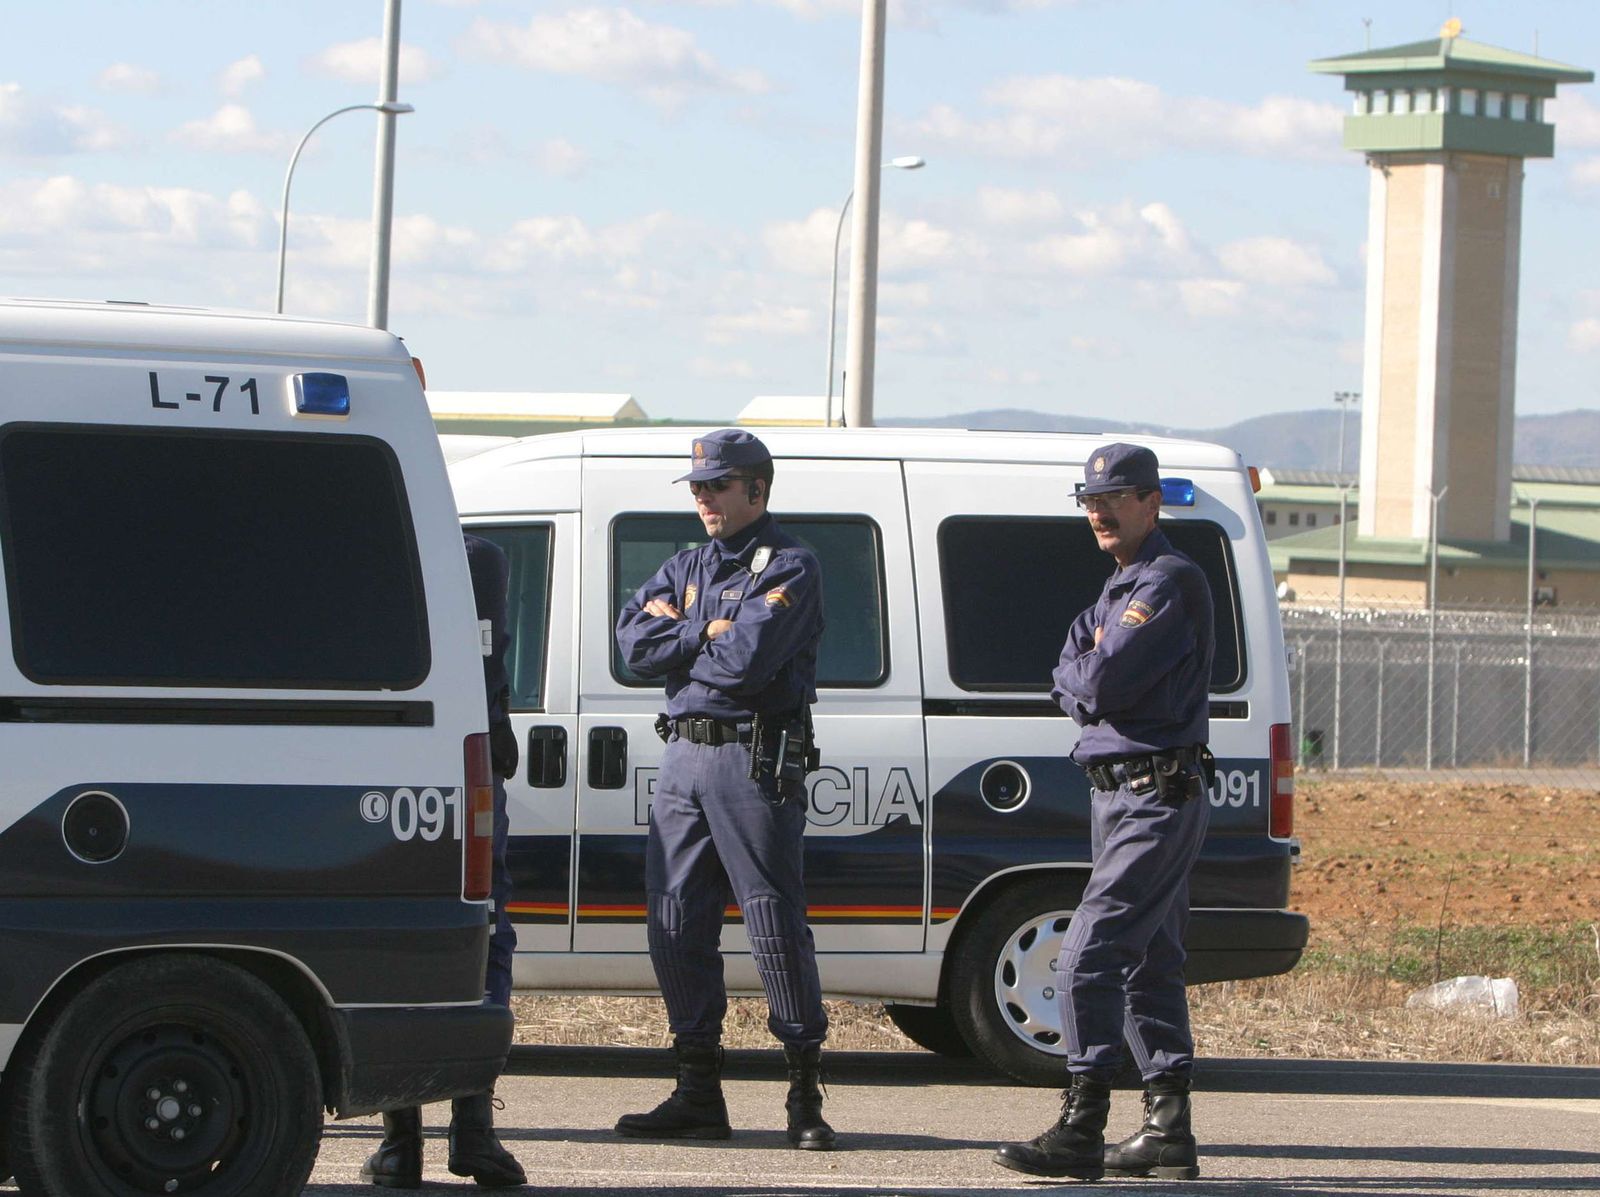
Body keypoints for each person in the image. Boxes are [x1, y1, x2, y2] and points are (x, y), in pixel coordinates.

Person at [994, 443, 1214, 1183]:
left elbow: (1102, 674)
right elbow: (1072, 668)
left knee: (1089, 950)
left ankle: (1082, 1125)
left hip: (1156, 792)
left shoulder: (1168, 581)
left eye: (1115, 497)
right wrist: (1086, 670)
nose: (1098, 509)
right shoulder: (1117, 589)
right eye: (1090, 499)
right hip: (1116, 790)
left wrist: (1086, 671)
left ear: (1152, 502)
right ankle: (1166, 1129)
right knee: (1150, 959)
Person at [612, 429, 835, 1150]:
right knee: (674, 924)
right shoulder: (685, 565)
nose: (705, 497)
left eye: (718, 485)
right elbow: (628, 644)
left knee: (773, 924)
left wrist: (693, 634)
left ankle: (804, 1092)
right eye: (699, 486)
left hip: (751, 760)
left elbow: (745, 661)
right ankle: (698, 1091)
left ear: (757, 490)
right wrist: (703, 630)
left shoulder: (791, 567)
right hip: (683, 757)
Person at [362, 533, 527, 1189]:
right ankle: (475, 1129)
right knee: (484, 936)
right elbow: (490, 667)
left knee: (395, 945)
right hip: (468, 766)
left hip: (383, 774)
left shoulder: (362, 547)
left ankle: (402, 1143)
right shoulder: (477, 556)